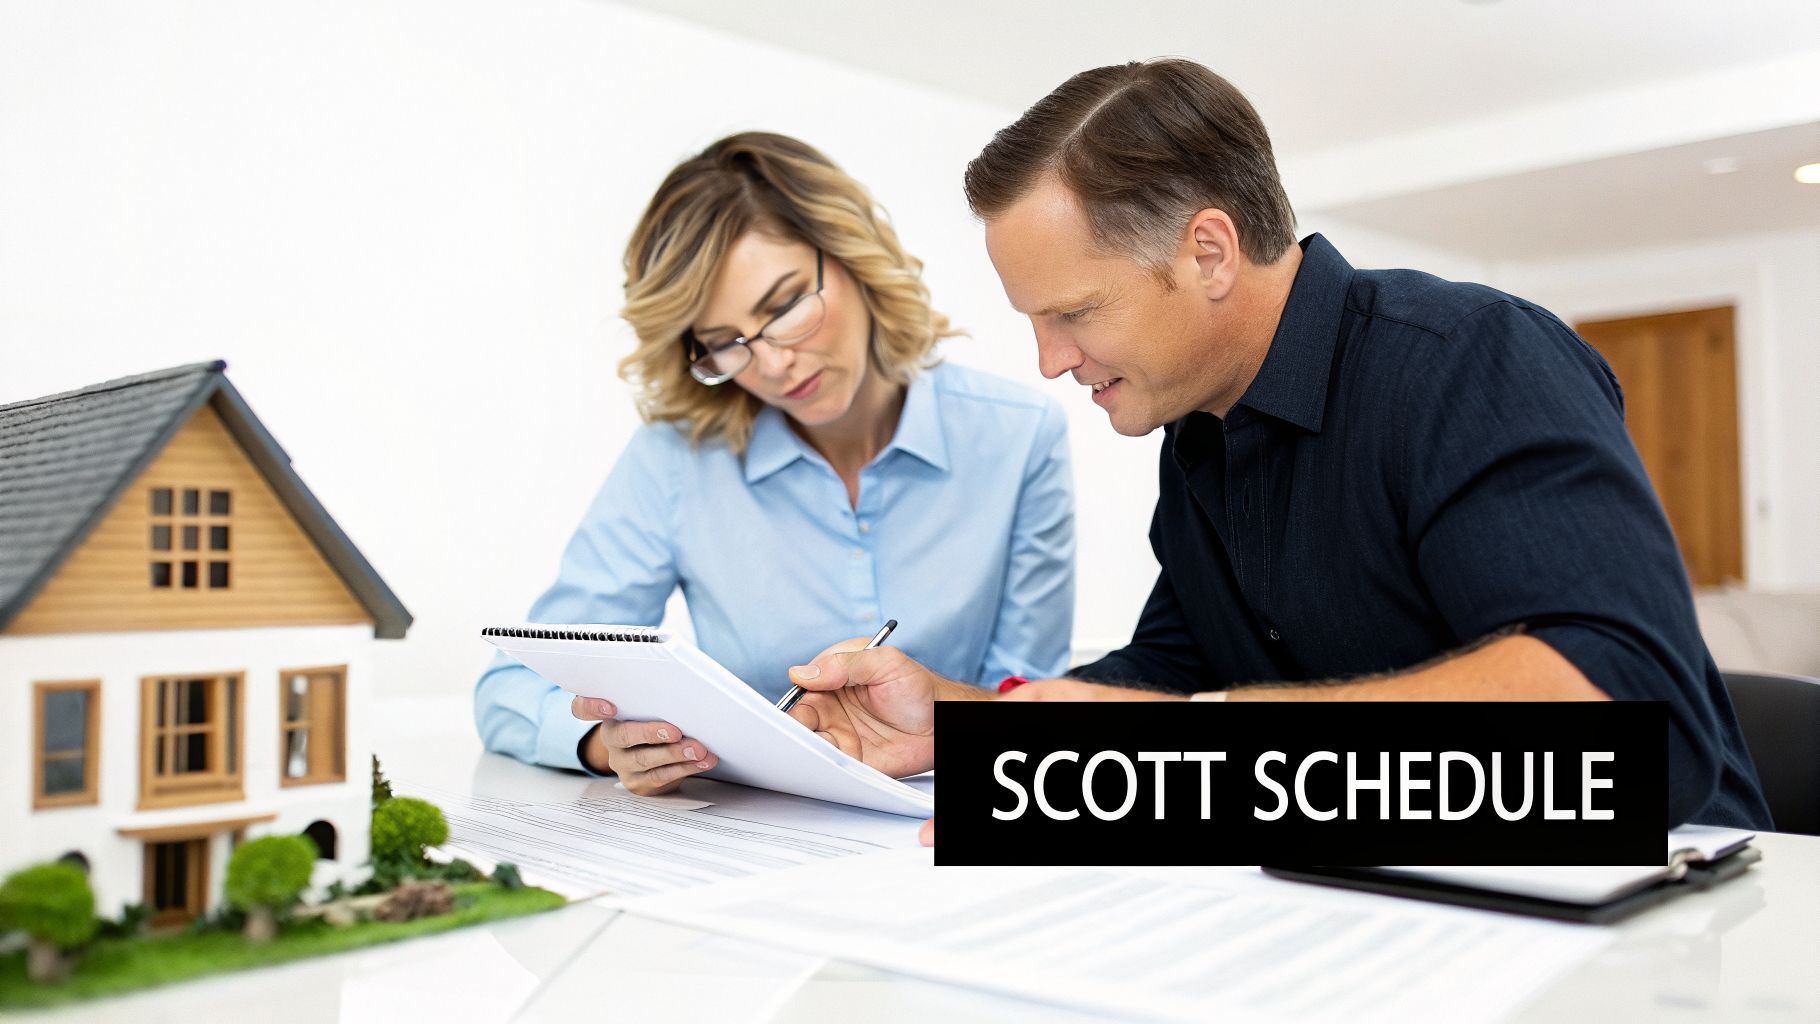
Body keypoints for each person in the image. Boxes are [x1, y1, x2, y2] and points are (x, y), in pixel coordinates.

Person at [784, 60, 1772, 832]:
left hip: (1663, 911)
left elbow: (1625, 715)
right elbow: (1174, 670)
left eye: (1075, 312)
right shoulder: (1200, 437)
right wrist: (961, 726)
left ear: (1207, 251)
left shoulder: (1470, 361)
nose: (1048, 361)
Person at [475, 132, 1075, 795]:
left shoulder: (1019, 436)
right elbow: (511, 687)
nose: (773, 364)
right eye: (725, 343)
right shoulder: (677, 461)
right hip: (753, 839)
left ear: (853, 258)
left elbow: (1029, 697)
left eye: (786, 305)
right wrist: (602, 742)